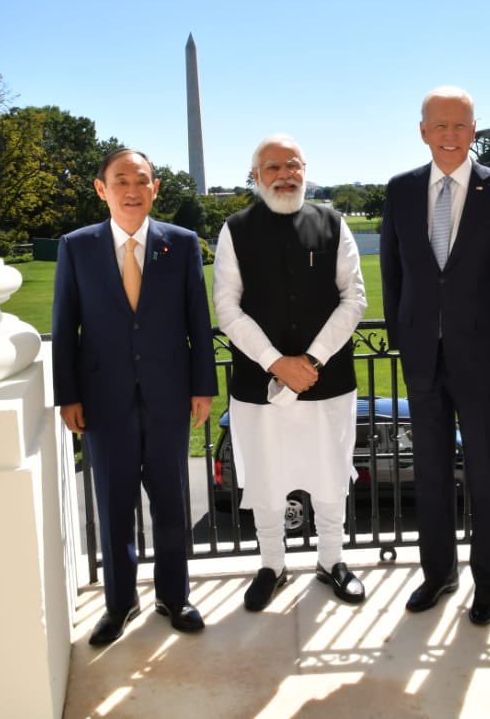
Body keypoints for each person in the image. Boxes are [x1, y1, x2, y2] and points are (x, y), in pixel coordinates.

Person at [379, 86, 490, 626]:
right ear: (423, 131)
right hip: (423, 360)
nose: (450, 135)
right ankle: (438, 574)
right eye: (440, 125)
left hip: (486, 364)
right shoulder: (400, 191)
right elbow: (394, 276)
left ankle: (486, 584)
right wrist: (404, 341)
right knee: (429, 473)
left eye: (461, 125)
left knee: (488, 476)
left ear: (475, 131)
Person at [52, 147, 217, 645]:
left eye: (141, 180)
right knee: (114, 504)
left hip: (169, 397)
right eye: (120, 180)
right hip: (103, 402)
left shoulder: (182, 243)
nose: (131, 189)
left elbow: (197, 322)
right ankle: (119, 604)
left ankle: (175, 596)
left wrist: (203, 387)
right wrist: (68, 396)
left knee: (170, 502)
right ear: (102, 189)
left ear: (155, 188)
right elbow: (65, 328)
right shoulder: (76, 246)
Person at [213, 135, 369, 611]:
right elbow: (227, 307)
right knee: (265, 476)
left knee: (329, 472)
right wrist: (276, 362)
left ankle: (332, 560)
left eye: (293, 164)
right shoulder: (234, 228)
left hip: (329, 380)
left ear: (305, 168)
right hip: (259, 384)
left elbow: (354, 298)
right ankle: (272, 565)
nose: (285, 174)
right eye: (273, 167)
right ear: (256, 176)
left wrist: (313, 360)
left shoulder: (333, 222)